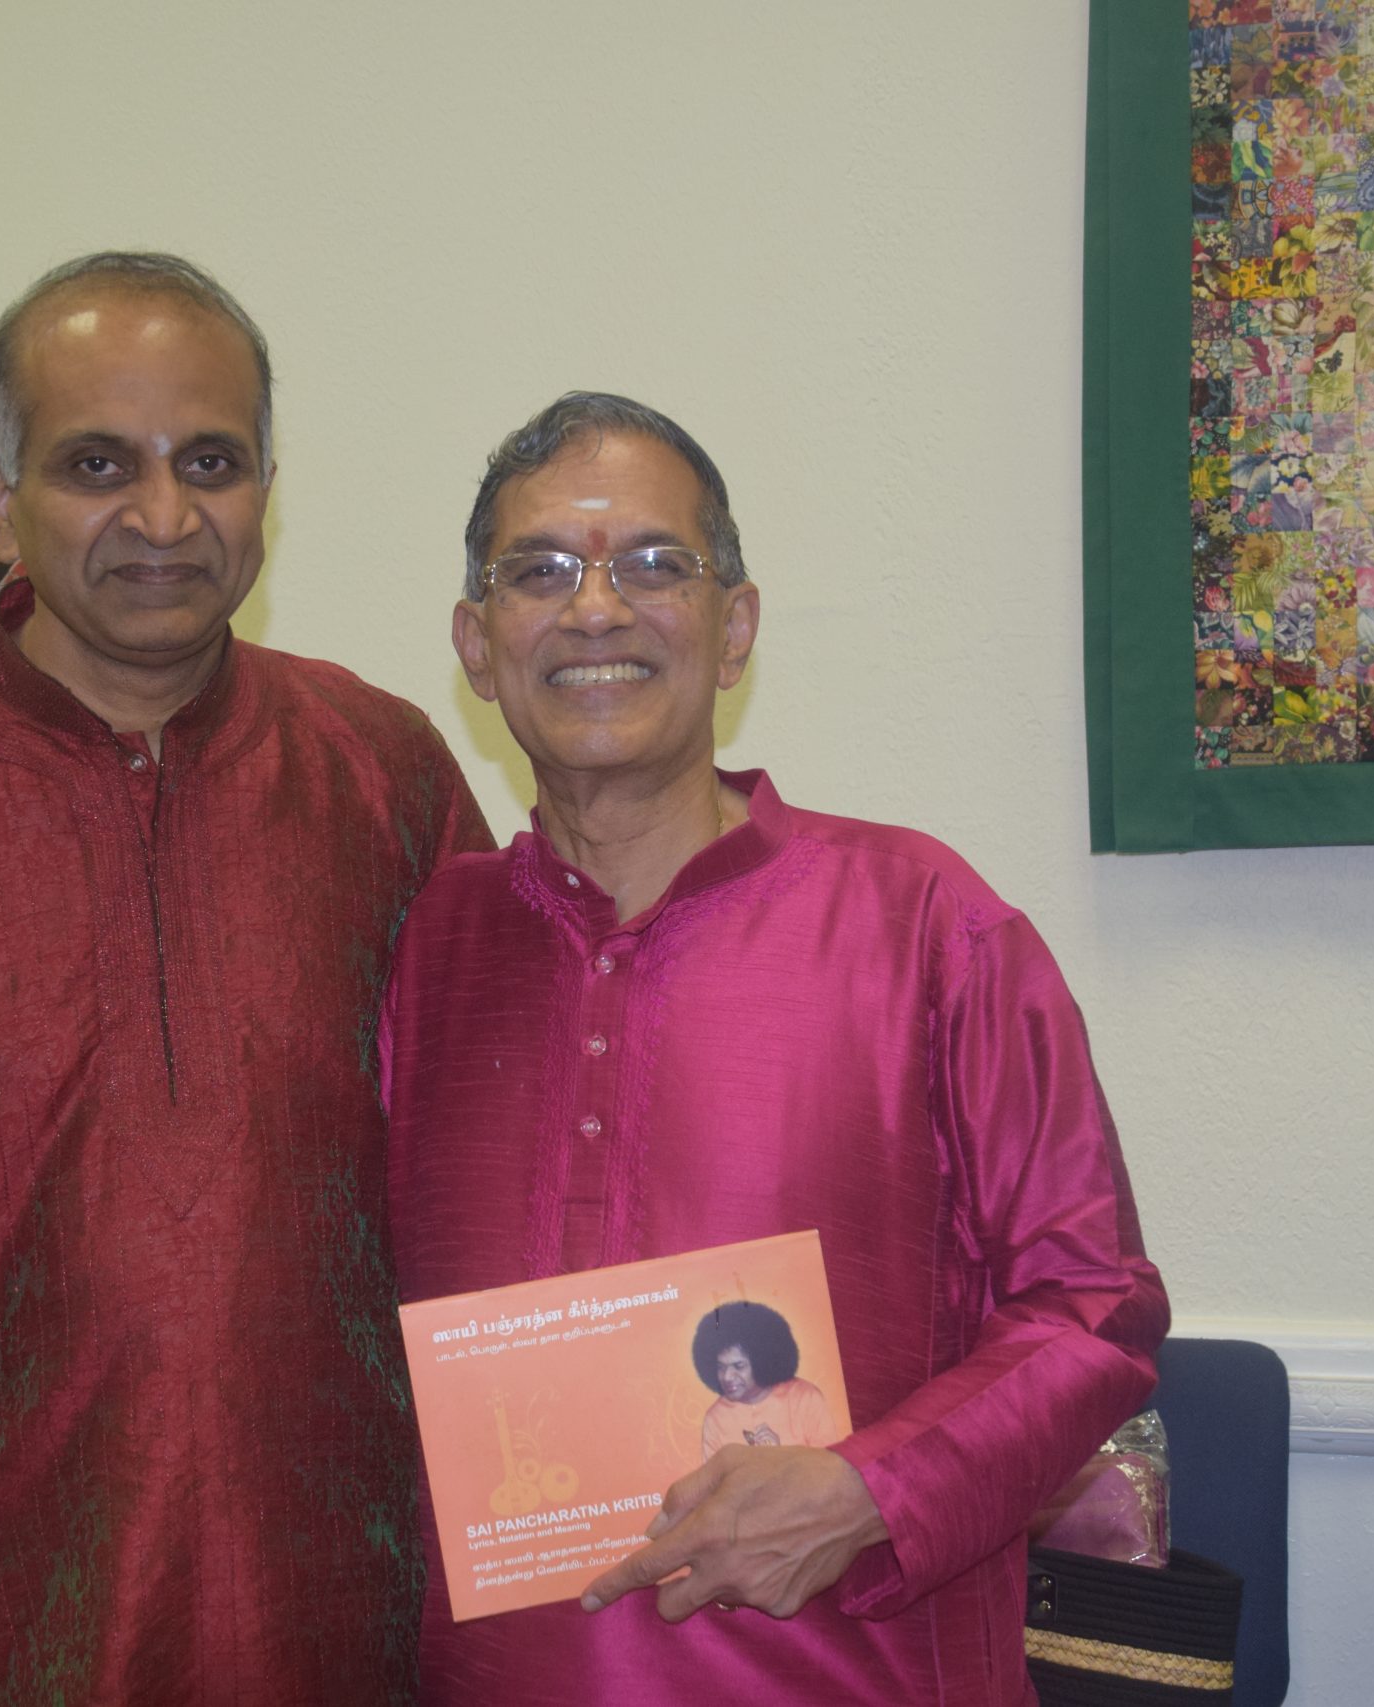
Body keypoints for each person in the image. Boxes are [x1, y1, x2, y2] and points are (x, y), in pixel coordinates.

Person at [0, 252, 490, 1707]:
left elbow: (507, 1191)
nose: (164, 517)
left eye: (212, 462)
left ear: (268, 487)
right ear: (2, 496)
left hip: (356, 1634)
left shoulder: (387, 778)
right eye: (98, 464)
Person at [383, 391, 1168, 1703]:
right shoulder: (429, 947)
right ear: (476, 642)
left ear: (734, 626)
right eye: (539, 571)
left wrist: (872, 1489)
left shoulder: (925, 922)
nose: (594, 609)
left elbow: (1097, 1308)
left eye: (653, 564)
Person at [692, 1302, 841, 1458]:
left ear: (762, 1362)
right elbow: (717, 1475)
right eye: (721, 1367)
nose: (727, 1376)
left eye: (738, 1366)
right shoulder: (715, 1419)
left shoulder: (806, 1399)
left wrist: (779, 1457)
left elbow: (829, 1468)